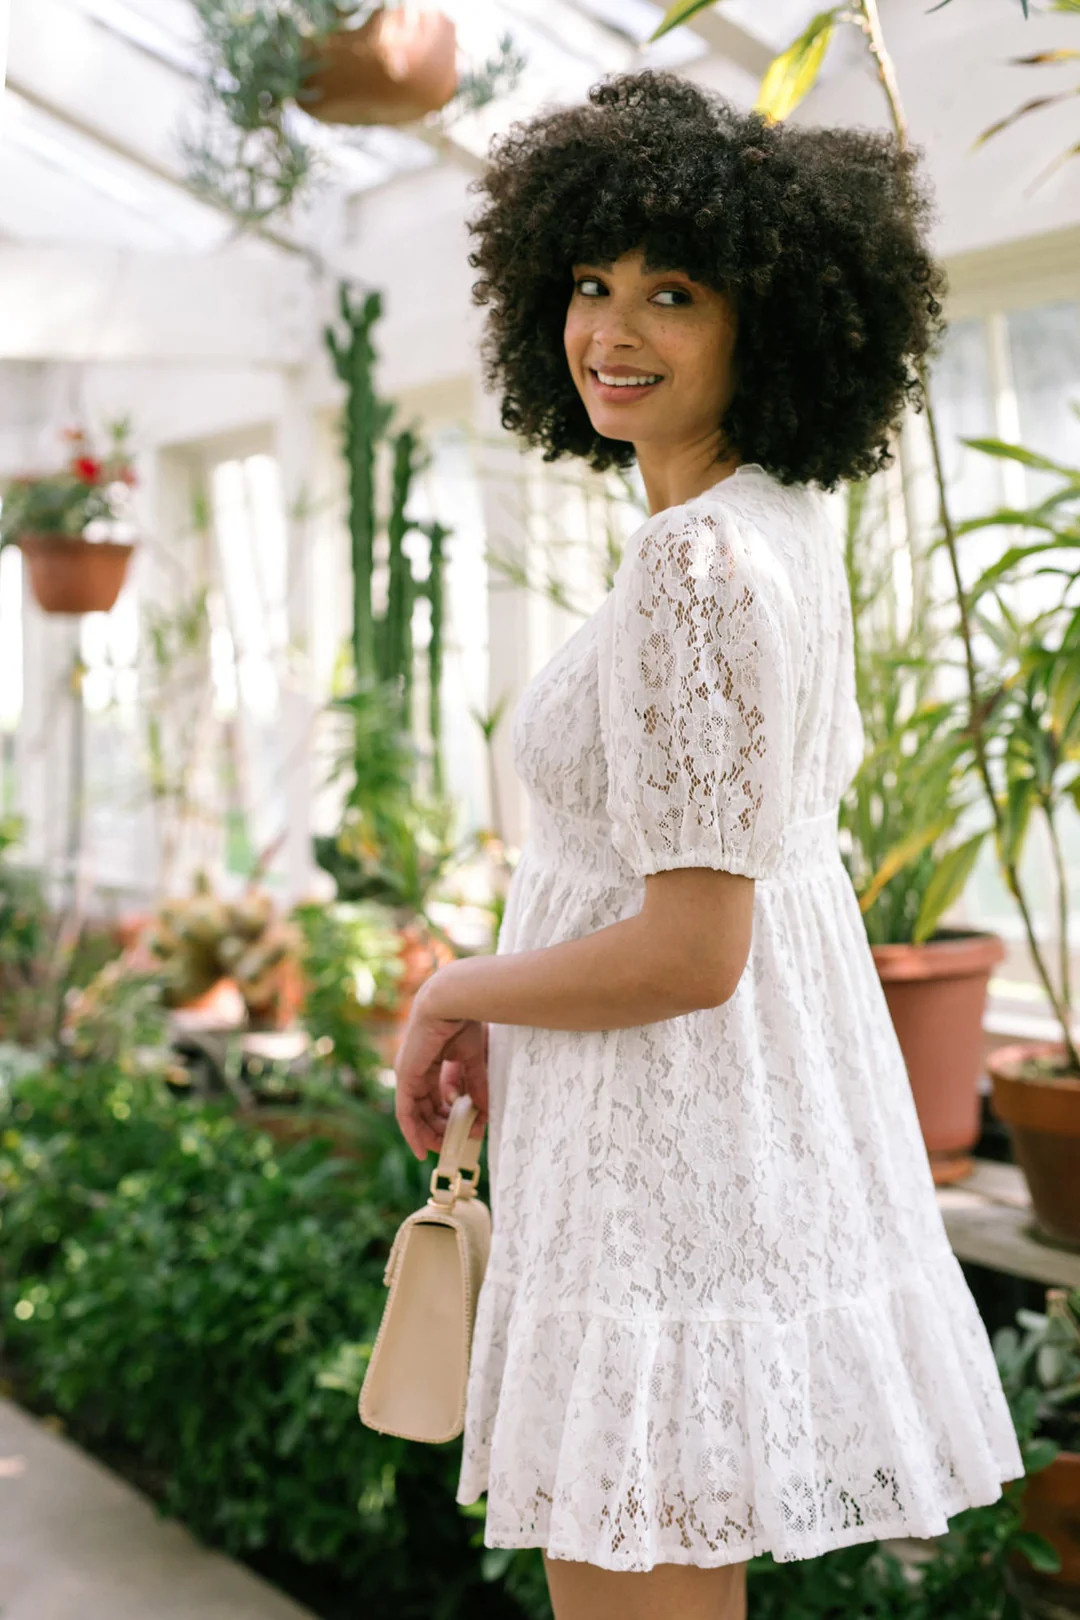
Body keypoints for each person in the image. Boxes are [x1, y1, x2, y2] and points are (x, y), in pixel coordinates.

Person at [390, 69, 1024, 1620]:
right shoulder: (781, 523)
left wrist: (454, 988)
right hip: (719, 1134)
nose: (611, 329)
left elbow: (693, 947)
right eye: (591, 283)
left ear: (772, 321)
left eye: (673, 292)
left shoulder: (698, 561)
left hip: (664, 1160)